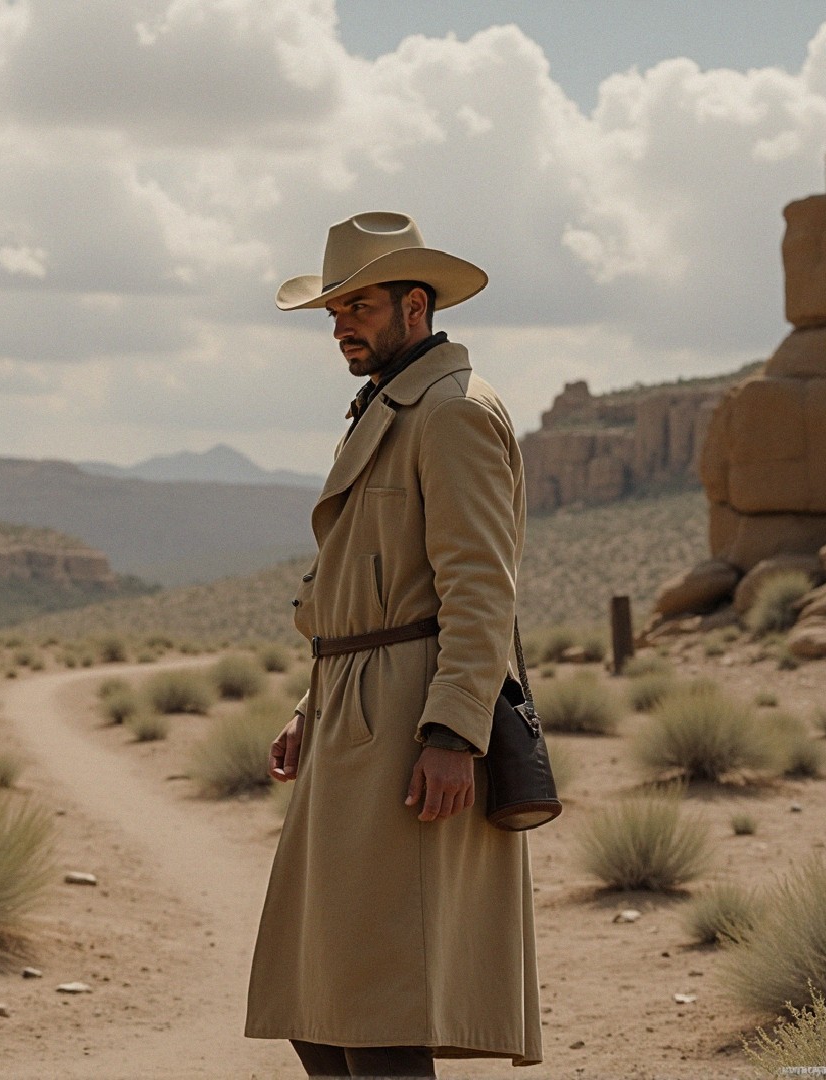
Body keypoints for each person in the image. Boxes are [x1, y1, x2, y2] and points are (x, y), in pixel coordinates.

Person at [244, 212, 542, 1076]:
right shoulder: (386, 405)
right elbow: (370, 578)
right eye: (334, 311)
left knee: (380, 1006)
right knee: (318, 997)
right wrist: (313, 700)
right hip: (350, 708)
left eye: (360, 306)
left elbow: (482, 589)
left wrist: (453, 734)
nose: (342, 325)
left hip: (410, 717)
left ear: (416, 304)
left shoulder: (452, 412)